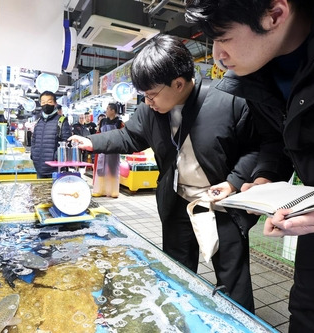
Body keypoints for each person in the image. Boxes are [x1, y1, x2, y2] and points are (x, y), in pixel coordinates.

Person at [185, 0, 314, 331]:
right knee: (309, 317)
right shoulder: (260, 71)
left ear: (275, 14)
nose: (216, 56)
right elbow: (277, 138)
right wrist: (265, 177)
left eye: (223, 38)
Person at [69, 35, 260, 312]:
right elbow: (130, 137)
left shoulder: (229, 100)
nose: (147, 102)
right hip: (178, 202)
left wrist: (233, 182)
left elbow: (255, 148)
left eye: (151, 94)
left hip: (223, 205)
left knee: (233, 280)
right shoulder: (150, 112)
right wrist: (93, 143)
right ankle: (179, 318)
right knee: (176, 274)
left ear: (179, 83)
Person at [30, 91, 71, 178]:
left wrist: (55, 157)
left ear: (55, 104)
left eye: (49, 102)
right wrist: (33, 155)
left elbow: (67, 143)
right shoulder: (39, 121)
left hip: (55, 170)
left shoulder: (62, 121)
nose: (46, 104)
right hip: (39, 168)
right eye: (43, 102)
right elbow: (33, 141)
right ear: (40, 103)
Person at [91, 103, 124, 198]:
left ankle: (113, 191)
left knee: (113, 170)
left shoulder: (119, 123)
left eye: (107, 109)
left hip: (113, 149)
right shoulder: (102, 121)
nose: (106, 110)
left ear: (113, 111)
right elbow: (98, 133)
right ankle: (99, 190)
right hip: (101, 148)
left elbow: (122, 136)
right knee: (100, 170)